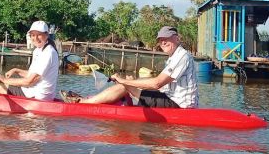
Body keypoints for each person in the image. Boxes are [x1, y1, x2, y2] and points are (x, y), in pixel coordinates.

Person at [67, 26, 198, 109]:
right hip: (171, 98)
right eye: (161, 39)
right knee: (128, 85)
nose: (163, 42)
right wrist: (133, 82)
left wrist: (125, 82)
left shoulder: (181, 56)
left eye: (167, 38)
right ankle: (94, 101)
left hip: (179, 106)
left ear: (177, 39)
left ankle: (83, 103)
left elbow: (157, 83)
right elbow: (161, 84)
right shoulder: (173, 57)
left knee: (124, 86)